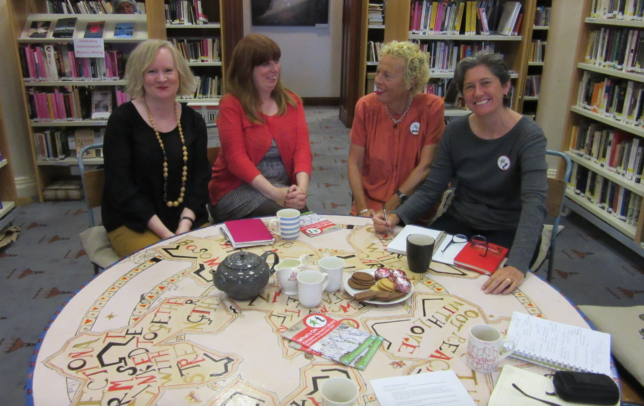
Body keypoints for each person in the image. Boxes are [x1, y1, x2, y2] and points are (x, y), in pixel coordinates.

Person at [374, 52, 548, 295]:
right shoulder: (455, 131)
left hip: (508, 230)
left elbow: (534, 204)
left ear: (506, 86)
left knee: (492, 290)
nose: (477, 93)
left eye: (486, 83)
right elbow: (432, 187)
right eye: (469, 87)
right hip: (460, 222)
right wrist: (397, 216)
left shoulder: (529, 136)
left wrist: (517, 265)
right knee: (418, 270)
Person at [102, 39, 211, 257]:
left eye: (168, 70)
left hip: (186, 220)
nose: (162, 79)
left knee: (213, 262)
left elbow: (200, 180)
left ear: (179, 74)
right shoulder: (122, 121)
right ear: (140, 76)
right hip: (135, 221)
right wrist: (166, 235)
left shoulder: (193, 121)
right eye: (152, 71)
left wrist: (184, 226)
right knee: (165, 267)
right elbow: (121, 187)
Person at [209, 34, 312, 221]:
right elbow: (236, 160)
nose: (275, 69)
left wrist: (301, 192)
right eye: (265, 64)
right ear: (246, 69)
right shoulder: (231, 104)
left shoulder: (292, 101)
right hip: (236, 190)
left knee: (304, 217)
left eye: (276, 61)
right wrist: (274, 193)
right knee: (291, 217)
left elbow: (303, 151)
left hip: (281, 188)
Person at [348, 41, 445, 218]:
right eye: (378, 72)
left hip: (413, 207)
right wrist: (362, 209)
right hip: (369, 204)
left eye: (387, 76)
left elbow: (425, 166)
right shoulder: (365, 107)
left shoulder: (432, 108)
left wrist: (389, 209)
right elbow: (355, 163)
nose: (378, 80)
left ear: (410, 81)